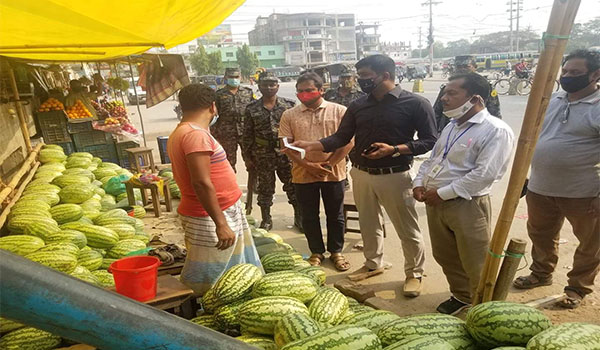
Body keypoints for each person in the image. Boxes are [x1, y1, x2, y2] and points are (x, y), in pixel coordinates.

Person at [291, 55, 438, 296]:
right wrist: (312, 145)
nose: (361, 81)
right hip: (361, 174)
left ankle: (414, 273)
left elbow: (430, 140)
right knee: (369, 225)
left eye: (366, 77)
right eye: (360, 77)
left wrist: (395, 149)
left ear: (386, 76)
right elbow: (341, 137)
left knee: (407, 229)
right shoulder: (359, 105)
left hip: (395, 175)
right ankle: (373, 263)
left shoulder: (415, 104)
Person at [413, 72, 514, 314]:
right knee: (446, 256)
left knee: (476, 260)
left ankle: (484, 308)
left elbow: (484, 175)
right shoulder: (451, 126)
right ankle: (462, 297)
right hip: (435, 201)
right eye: (444, 92)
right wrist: (419, 182)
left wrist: (443, 193)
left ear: (475, 98)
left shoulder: (495, 130)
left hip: (466, 203)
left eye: (451, 93)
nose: (444, 98)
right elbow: (433, 159)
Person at [513, 49, 600, 309]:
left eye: (576, 73)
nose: (568, 76)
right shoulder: (553, 99)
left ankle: (577, 287)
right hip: (541, 186)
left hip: (583, 192)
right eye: (566, 72)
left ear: (595, 75)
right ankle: (541, 273)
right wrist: (526, 177)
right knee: (540, 234)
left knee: (590, 243)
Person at [167, 84, 262, 295]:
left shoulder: (183, 132)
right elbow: (201, 182)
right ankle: (206, 313)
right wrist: (221, 223)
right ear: (213, 107)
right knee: (213, 276)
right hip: (210, 216)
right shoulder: (195, 135)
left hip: (215, 211)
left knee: (230, 273)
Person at [278, 72, 353, 271]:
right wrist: (308, 166)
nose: (304, 94)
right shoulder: (289, 115)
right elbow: (286, 145)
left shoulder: (339, 111)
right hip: (303, 174)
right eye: (300, 91)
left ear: (321, 90)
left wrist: (329, 164)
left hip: (334, 172)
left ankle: (336, 251)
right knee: (309, 215)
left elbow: (349, 141)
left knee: (335, 215)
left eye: (309, 90)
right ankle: (316, 252)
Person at [242, 72, 301, 231]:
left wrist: (297, 153)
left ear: (277, 86)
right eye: (265, 84)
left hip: (285, 152)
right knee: (265, 188)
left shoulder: (288, 105)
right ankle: (266, 219)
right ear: (259, 86)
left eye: (272, 84)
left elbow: (297, 131)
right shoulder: (251, 108)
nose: (268, 87)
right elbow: (246, 135)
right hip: (262, 153)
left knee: (292, 185)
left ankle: (299, 217)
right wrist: (247, 158)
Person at [433, 57, 501, 134]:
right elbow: (436, 112)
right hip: (449, 129)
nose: (462, 69)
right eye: (459, 67)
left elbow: (494, 111)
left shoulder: (486, 87)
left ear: (475, 67)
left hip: (476, 130)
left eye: (466, 66)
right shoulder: (449, 87)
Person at [213, 67, 256, 170]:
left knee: (252, 162)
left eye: (236, 77)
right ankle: (230, 185)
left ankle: (253, 186)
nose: (234, 79)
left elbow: (255, 111)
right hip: (226, 133)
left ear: (240, 77)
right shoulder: (219, 95)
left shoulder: (248, 92)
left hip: (246, 132)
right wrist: (215, 135)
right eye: (231, 77)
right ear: (226, 78)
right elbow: (213, 115)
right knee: (228, 163)